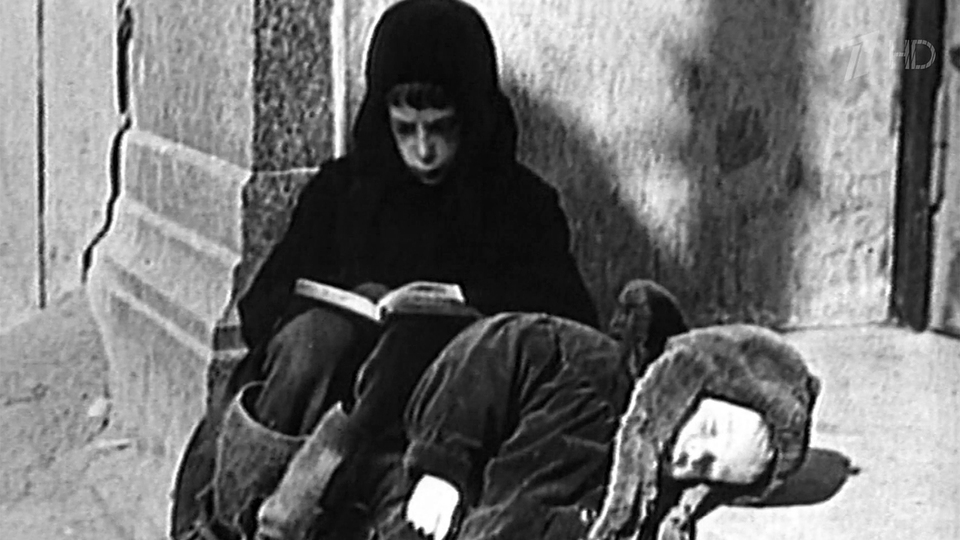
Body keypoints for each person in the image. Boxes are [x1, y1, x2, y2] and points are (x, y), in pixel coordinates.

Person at [169, 1, 597, 539]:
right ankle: (233, 521)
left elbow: (567, 328)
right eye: (405, 129)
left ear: (475, 118)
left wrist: (466, 303)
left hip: (430, 417)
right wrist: (338, 307)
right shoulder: (342, 193)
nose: (424, 150)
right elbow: (261, 305)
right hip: (320, 401)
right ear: (382, 120)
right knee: (314, 340)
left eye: (441, 128)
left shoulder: (520, 207)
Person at [376, 280, 690, 540]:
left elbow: (500, 343)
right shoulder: (583, 358)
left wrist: (440, 466)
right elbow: (501, 343)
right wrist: (441, 466)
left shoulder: (582, 360)